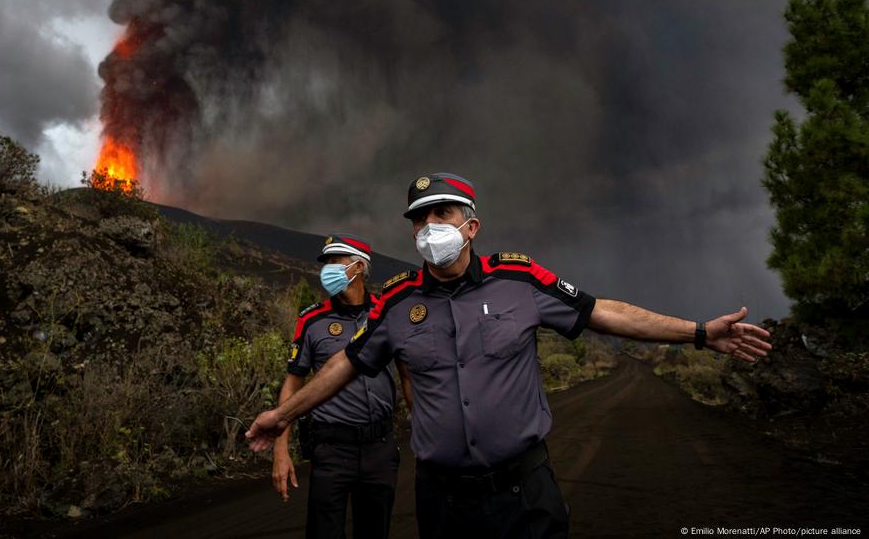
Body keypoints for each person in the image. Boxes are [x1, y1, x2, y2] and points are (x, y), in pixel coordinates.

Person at [248, 173, 773, 539]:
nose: (429, 227)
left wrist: (699, 333)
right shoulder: (397, 300)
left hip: (524, 492)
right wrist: (280, 418)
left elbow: (601, 311)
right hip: (442, 501)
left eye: (442, 213)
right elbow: (346, 363)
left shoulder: (520, 280)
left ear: (471, 226)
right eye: (419, 219)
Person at [272, 233, 409, 539]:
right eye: (326, 263)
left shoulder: (387, 315)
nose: (327, 269)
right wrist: (281, 449)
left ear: (359, 267)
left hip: (379, 448)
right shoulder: (312, 320)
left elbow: (407, 375)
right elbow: (292, 384)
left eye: (336, 262)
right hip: (332, 449)